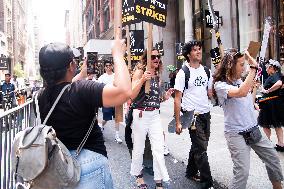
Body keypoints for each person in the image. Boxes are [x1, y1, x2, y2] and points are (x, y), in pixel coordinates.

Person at [36, 39, 131, 189]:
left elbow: (63, 88)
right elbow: (124, 92)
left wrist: (80, 74)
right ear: (70, 66)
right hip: (88, 166)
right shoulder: (80, 89)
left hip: (59, 166)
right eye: (73, 61)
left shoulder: (41, 96)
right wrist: (118, 55)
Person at [213, 49, 283, 189]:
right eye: (241, 64)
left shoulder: (239, 80)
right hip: (236, 134)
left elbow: (248, 100)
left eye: (244, 64)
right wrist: (253, 68)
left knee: (273, 159)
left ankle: (278, 187)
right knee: (242, 172)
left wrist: (254, 88)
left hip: (253, 128)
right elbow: (241, 92)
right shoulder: (220, 85)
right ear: (230, 66)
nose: (243, 67)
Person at [130, 49, 174, 189]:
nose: (156, 59)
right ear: (146, 58)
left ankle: (158, 180)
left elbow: (156, 99)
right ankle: (138, 177)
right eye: (153, 56)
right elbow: (132, 94)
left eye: (158, 57)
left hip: (154, 115)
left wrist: (165, 97)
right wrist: (142, 79)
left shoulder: (157, 76)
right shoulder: (139, 72)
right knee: (139, 148)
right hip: (141, 114)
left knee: (158, 148)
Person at [174, 40, 213, 189]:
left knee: (199, 146)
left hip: (205, 114)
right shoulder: (183, 73)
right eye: (195, 50)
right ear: (188, 54)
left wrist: (217, 88)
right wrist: (178, 122)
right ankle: (207, 182)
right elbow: (177, 99)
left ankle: (190, 171)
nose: (198, 52)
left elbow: (209, 93)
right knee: (201, 149)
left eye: (199, 49)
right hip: (192, 116)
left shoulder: (207, 71)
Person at [258, 59, 284, 151]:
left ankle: (268, 143)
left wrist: (267, 91)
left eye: (268, 67)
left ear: (272, 68)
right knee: (277, 124)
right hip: (274, 103)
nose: (266, 69)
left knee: (266, 124)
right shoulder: (276, 75)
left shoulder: (275, 75)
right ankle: (281, 144)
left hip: (270, 103)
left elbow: (279, 83)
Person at [97, 59, 123, 143]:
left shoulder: (116, 75)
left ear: (112, 66)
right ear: (104, 67)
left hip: (117, 99)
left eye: (110, 65)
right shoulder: (102, 77)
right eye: (107, 66)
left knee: (117, 118)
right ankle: (100, 125)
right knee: (106, 117)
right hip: (107, 99)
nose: (108, 67)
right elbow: (98, 88)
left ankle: (117, 135)